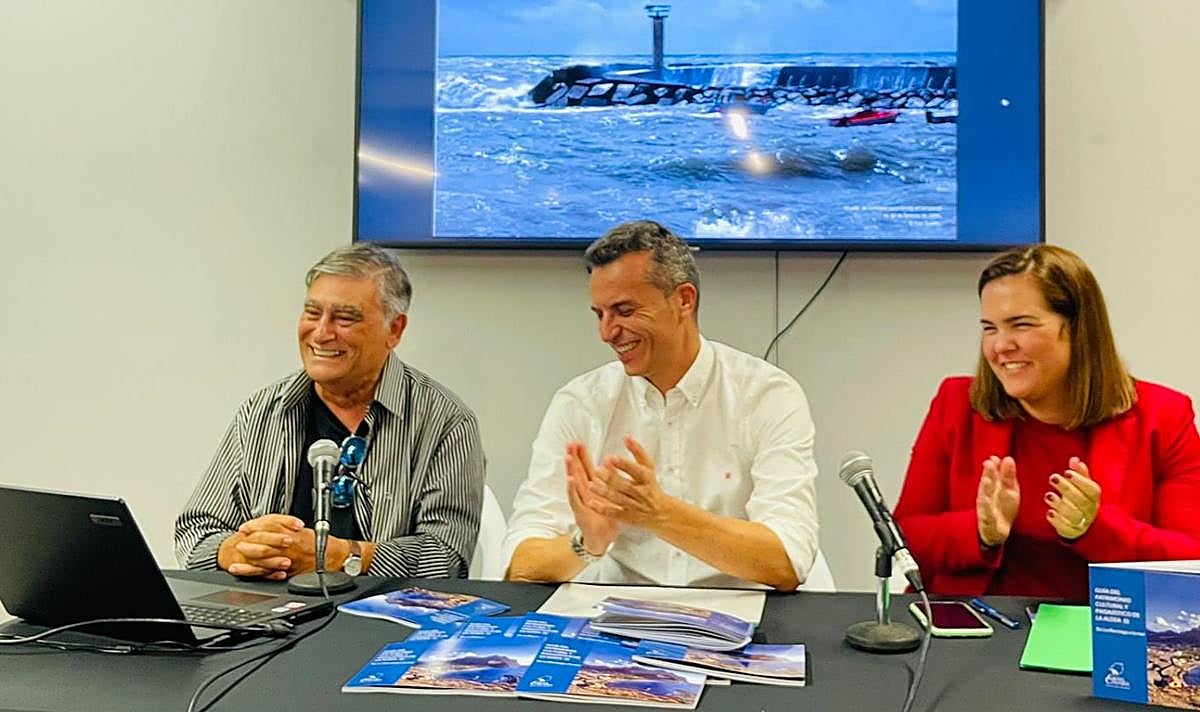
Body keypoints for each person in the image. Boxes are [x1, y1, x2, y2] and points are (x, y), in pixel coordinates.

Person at [503, 221, 819, 590]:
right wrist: (587, 544)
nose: (607, 333)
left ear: (684, 300)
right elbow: (518, 564)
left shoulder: (767, 395)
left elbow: (787, 561)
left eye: (624, 310)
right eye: (599, 314)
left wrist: (660, 513)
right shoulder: (580, 403)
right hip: (617, 626)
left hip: (744, 623)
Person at [894, 245, 1200, 601]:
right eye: (989, 328)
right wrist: (980, 532)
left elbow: (1190, 559)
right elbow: (904, 536)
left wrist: (1096, 529)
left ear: (1076, 329)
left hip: (1102, 630)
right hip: (977, 626)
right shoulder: (956, 403)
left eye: (1020, 325)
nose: (1000, 346)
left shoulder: (1163, 416)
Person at [175, 244, 484, 580]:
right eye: (312, 313)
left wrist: (343, 556)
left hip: (384, 620)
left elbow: (448, 558)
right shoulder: (263, 410)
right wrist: (236, 550)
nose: (322, 332)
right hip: (266, 617)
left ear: (394, 330)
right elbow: (196, 529)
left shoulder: (445, 422)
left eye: (345, 318)